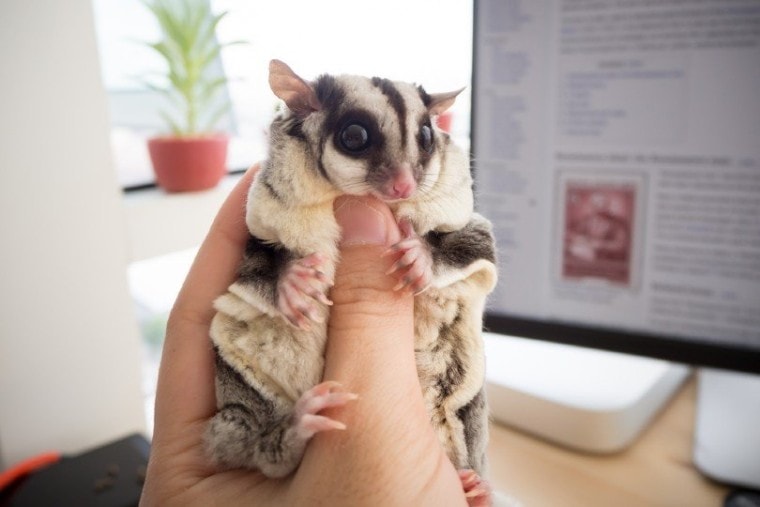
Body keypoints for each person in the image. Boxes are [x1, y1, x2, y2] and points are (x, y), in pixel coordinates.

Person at [139, 166, 471, 506]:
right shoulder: (284, 209)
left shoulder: (439, 198)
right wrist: (285, 280)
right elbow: (257, 265)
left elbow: (468, 258)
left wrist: (426, 256)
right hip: (269, 411)